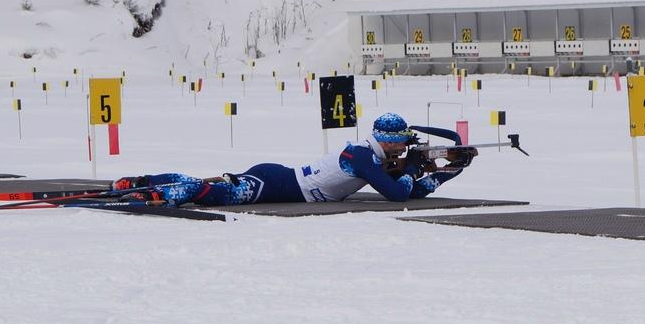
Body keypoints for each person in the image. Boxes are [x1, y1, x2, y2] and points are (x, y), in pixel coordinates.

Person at [111, 113, 475, 206]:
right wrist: (412, 170)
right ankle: (152, 191)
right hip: (278, 184)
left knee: (220, 185)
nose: (405, 149)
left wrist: (448, 172)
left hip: (284, 181)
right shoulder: (362, 157)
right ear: (389, 142)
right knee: (217, 192)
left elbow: (410, 192)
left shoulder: (374, 157)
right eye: (402, 145)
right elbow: (397, 194)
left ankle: (145, 182)